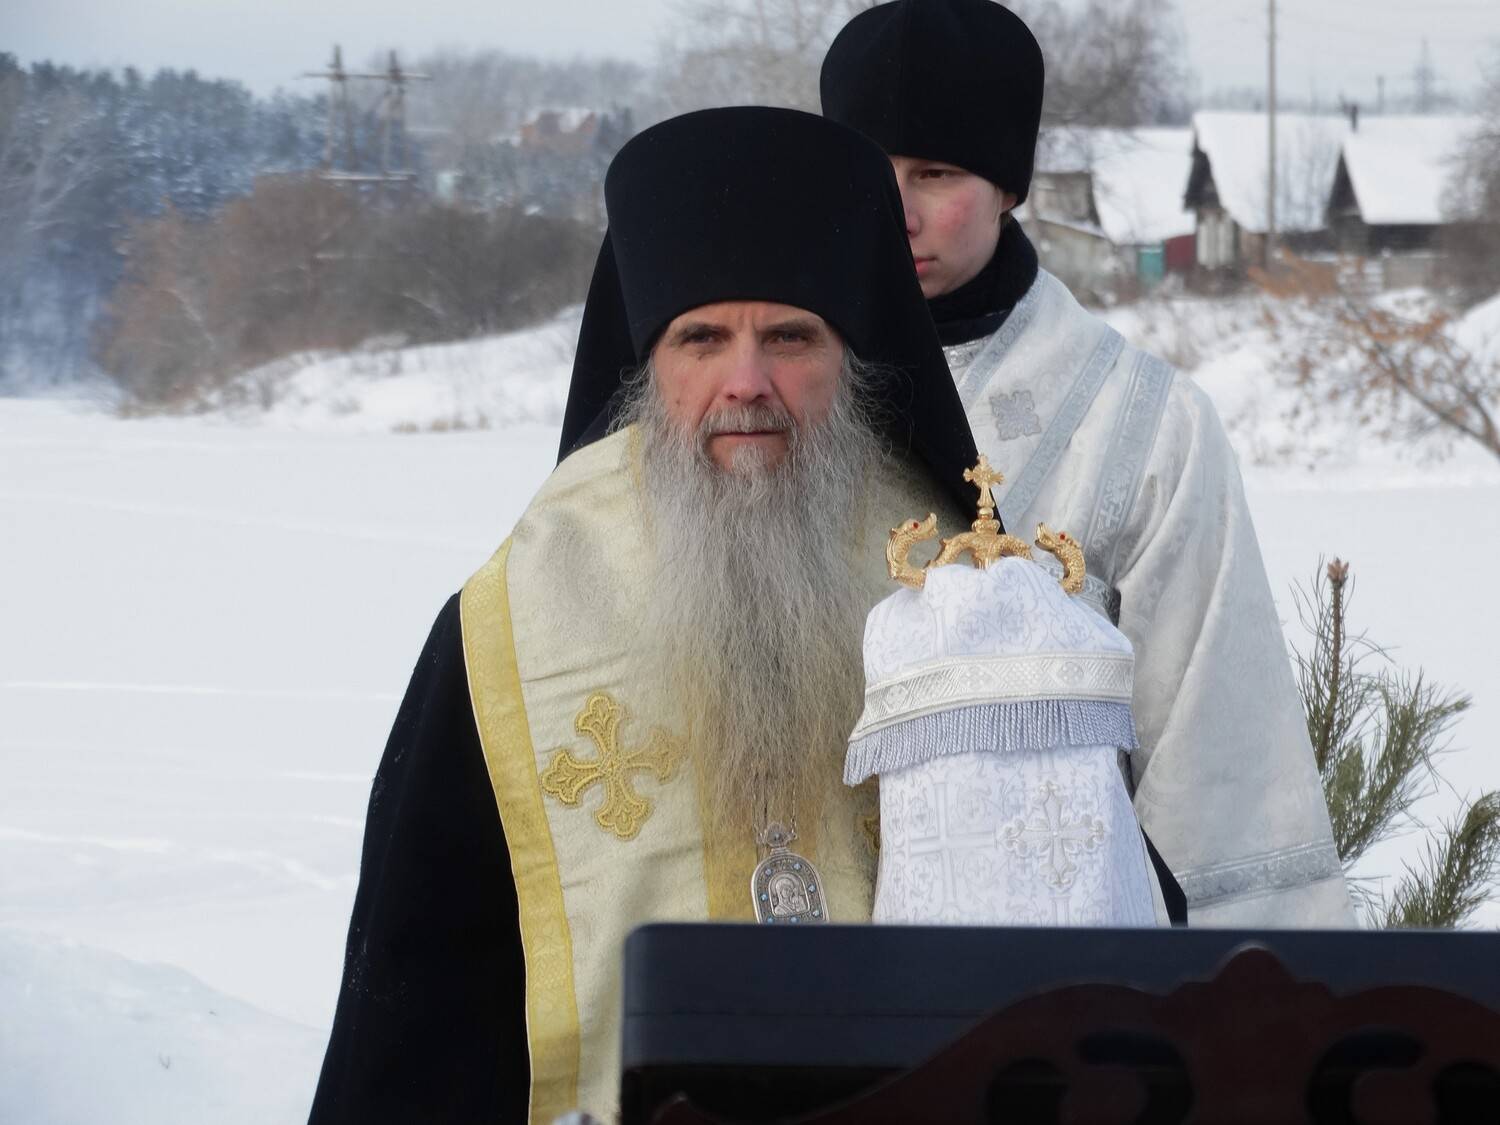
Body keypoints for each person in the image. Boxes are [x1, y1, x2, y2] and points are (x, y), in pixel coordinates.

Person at [309, 106, 983, 1125]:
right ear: (648, 362)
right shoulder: (516, 624)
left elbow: (1088, 909)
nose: (745, 383)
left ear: (853, 352)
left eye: (790, 336)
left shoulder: (967, 592)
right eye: (700, 338)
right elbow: (417, 1015)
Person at [821, 0, 1351, 927]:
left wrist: (1238, 995)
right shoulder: (777, 401)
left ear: (1007, 186)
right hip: (813, 966)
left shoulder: (1144, 424)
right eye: (869, 173)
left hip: (1062, 974)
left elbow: (1216, 761)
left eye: (936, 172)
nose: (897, 211)